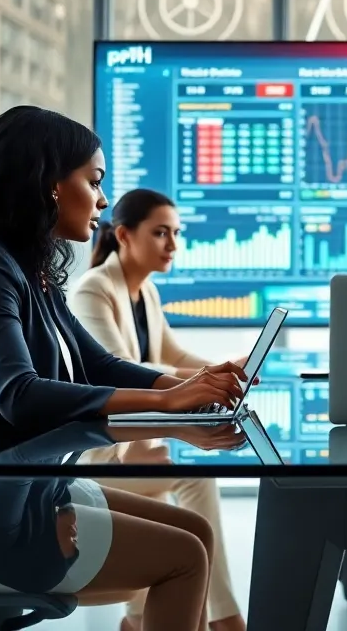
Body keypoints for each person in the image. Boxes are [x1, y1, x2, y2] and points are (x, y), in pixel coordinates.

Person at [0, 106, 248, 631]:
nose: (102, 200)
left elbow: (97, 364)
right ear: (50, 184)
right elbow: (19, 395)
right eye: (94, 180)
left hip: (26, 481)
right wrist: (167, 403)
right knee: (185, 557)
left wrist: (189, 391)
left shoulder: (28, 270)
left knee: (196, 532)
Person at [68, 188, 247, 631]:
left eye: (177, 233)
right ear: (124, 235)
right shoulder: (94, 289)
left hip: (135, 447)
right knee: (194, 478)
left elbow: (174, 356)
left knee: (175, 497)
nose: (173, 245)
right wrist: (203, 379)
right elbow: (118, 369)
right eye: (161, 232)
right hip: (100, 454)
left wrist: (224, 370)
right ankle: (225, 619)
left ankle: (138, 620)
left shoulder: (144, 291)